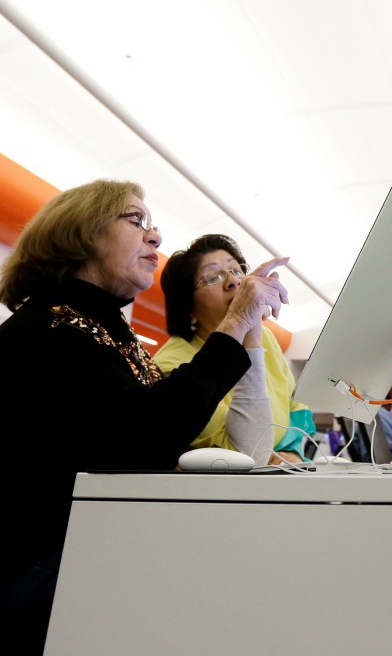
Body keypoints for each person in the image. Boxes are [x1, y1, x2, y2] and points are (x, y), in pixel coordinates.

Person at [0, 179, 288, 652]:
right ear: (79, 233)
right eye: (136, 221)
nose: (155, 237)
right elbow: (146, 433)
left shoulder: (108, 329)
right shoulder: (50, 327)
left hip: (85, 543)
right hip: (38, 563)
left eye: (153, 225)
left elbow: (143, 437)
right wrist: (237, 323)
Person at [155, 234, 315, 466]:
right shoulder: (174, 365)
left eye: (237, 270)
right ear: (188, 309)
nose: (233, 281)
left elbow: (296, 407)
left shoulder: (267, 337)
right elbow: (243, 455)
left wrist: (290, 452)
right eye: (213, 277)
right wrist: (248, 331)